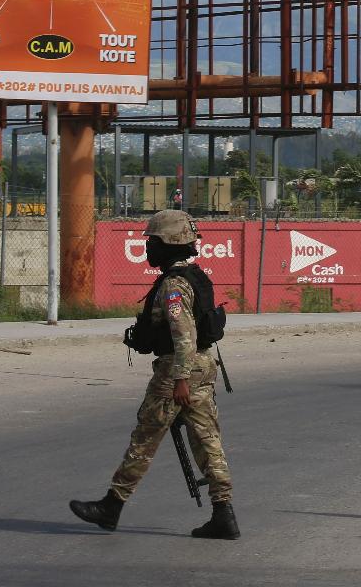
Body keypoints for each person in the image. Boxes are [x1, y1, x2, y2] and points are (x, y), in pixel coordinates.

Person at [69, 209, 238, 539]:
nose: (148, 248)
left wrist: (180, 380)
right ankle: (223, 514)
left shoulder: (174, 287)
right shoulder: (196, 277)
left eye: (153, 241)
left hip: (179, 371)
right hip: (203, 367)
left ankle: (111, 506)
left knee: (145, 438)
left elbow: (183, 334)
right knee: (208, 443)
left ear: (169, 244)